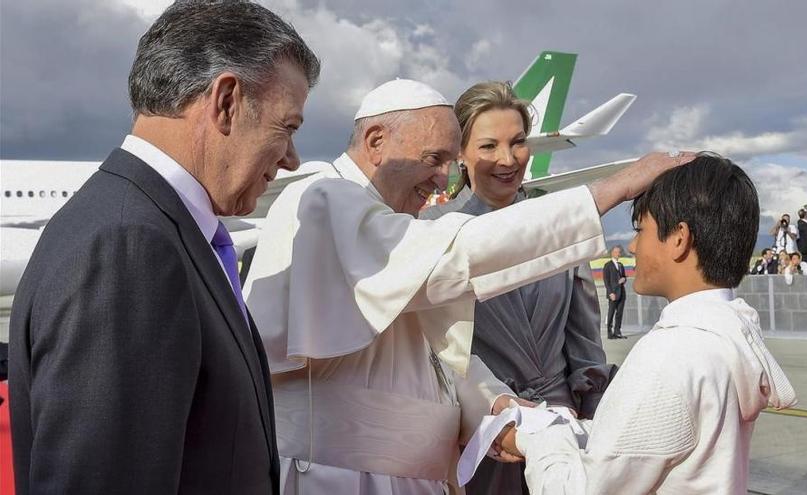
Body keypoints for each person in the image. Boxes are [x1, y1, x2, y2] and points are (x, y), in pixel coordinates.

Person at [243, 78, 694, 494]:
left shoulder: (384, 221)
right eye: (434, 159)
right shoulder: (325, 198)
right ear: (377, 141)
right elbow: (459, 252)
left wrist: (495, 403)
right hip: (336, 477)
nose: (444, 177)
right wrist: (609, 191)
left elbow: (428, 356)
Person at [7, 2, 320, 493]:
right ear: (226, 101)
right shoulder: (129, 247)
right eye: (288, 127)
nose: (292, 159)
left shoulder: (149, 228)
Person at [500, 153, 797, 494]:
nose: (632, 245)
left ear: (679, 239)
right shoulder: (728, 334)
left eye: (641, 229)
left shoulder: (670, 357)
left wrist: (536, 441)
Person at [421, 81, 614, 494]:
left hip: (559, 428)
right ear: (461, 152)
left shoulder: (560, 227)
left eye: (518, 142)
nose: (508, 160)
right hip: (479, 435)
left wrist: (593, 421)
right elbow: (432, 354)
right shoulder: (432, 234)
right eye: (488, 146)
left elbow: (584, 341)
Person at [603, 246, 629, 339]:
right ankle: (610, 334)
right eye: (617, 252)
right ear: (613, 253)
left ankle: (617, 332)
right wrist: (610, 293)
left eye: (619, 252)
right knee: (611, 313)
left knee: (619, 314)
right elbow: (606, 281)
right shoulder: (607, 265)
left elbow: (624, 277)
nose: (619, 254)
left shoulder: (621, 265)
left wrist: (624, 279)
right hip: (613, 293)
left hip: (622, 293)